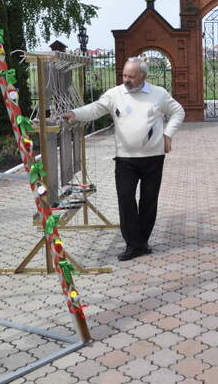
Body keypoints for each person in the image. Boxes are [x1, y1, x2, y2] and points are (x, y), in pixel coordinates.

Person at [62, 57, 185, 261]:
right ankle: (133, 244)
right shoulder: (115, 94)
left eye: (131, 76)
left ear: (143, 76)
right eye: (124, 75)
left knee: (149, 200)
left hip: (153, 157)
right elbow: (95, 108)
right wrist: (74, 114)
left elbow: (178, 111)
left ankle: (142, 242)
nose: (126, 79)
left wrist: (168, 134)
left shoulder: (158, 94)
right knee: (125, 198)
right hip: (125, 159)